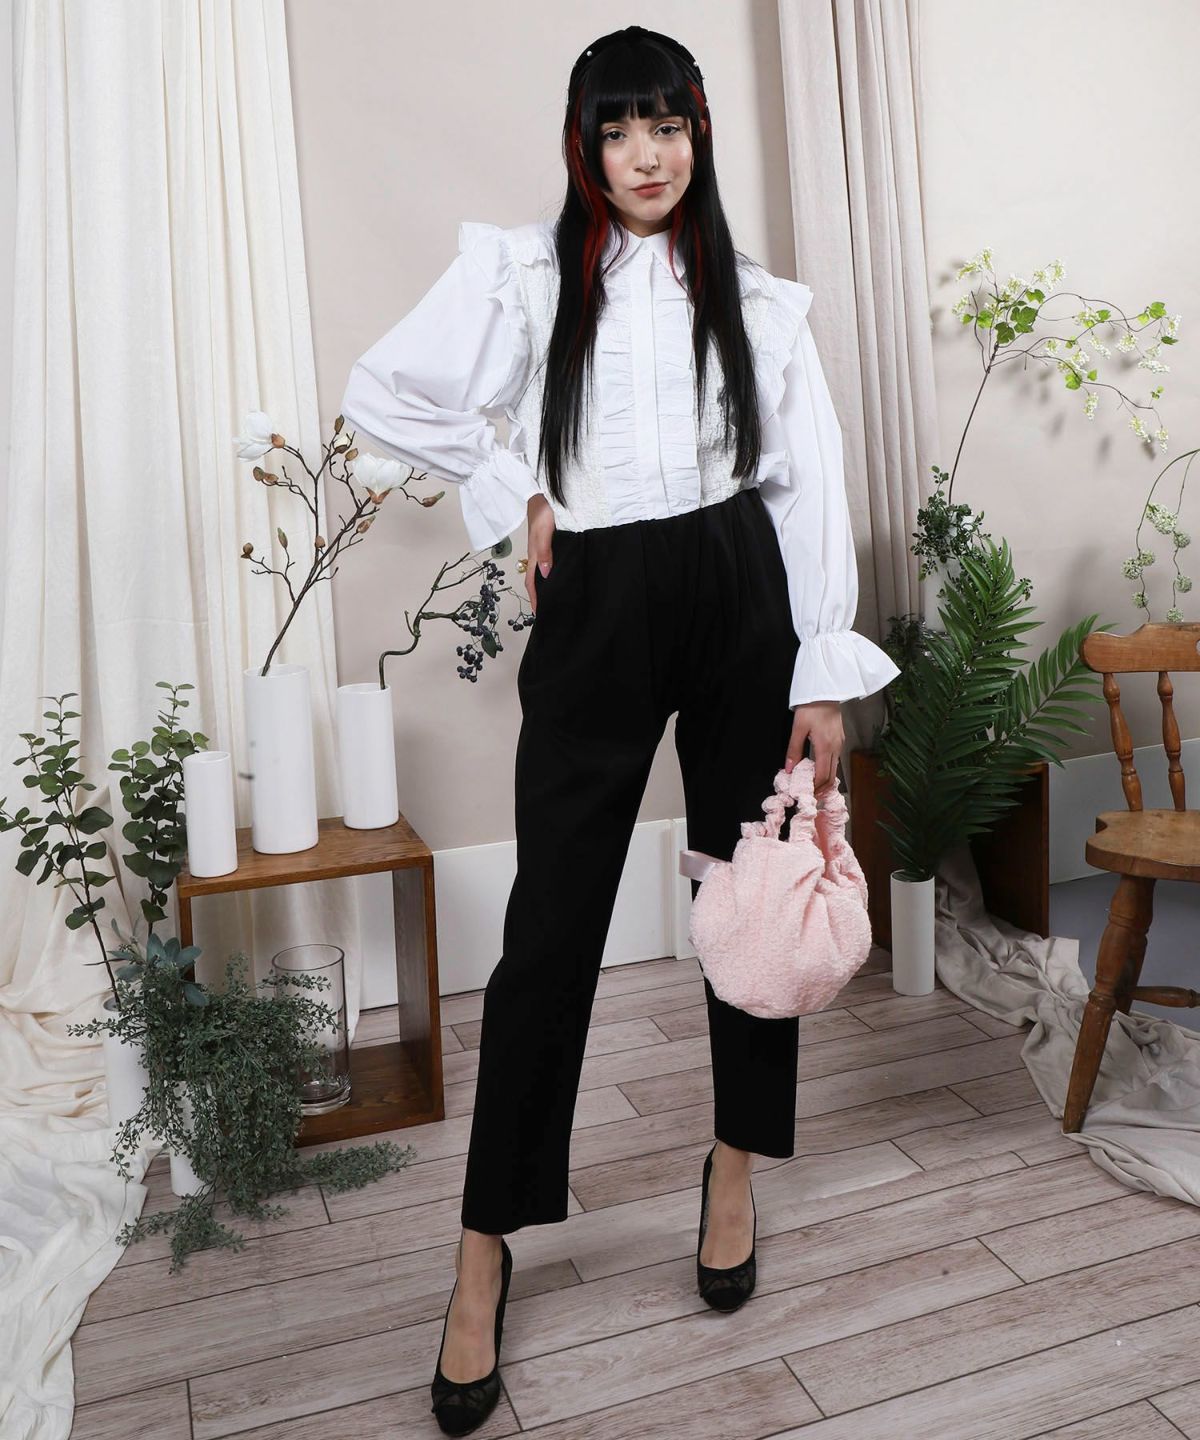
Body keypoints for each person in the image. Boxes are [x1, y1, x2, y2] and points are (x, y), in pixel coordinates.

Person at [340, 24, 901, 1435]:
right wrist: (508, 490)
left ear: (699, 134)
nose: (647, 156)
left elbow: (808, 487)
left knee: (750, 901)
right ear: (583, 146)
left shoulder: (757, 301)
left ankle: (734, 1166)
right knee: (550, 933)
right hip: (596, 598)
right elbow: (381, 392)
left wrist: (819, 677)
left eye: (669, 126)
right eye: (618, 130)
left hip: (738, 590)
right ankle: (484, 1251)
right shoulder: (528, 278)